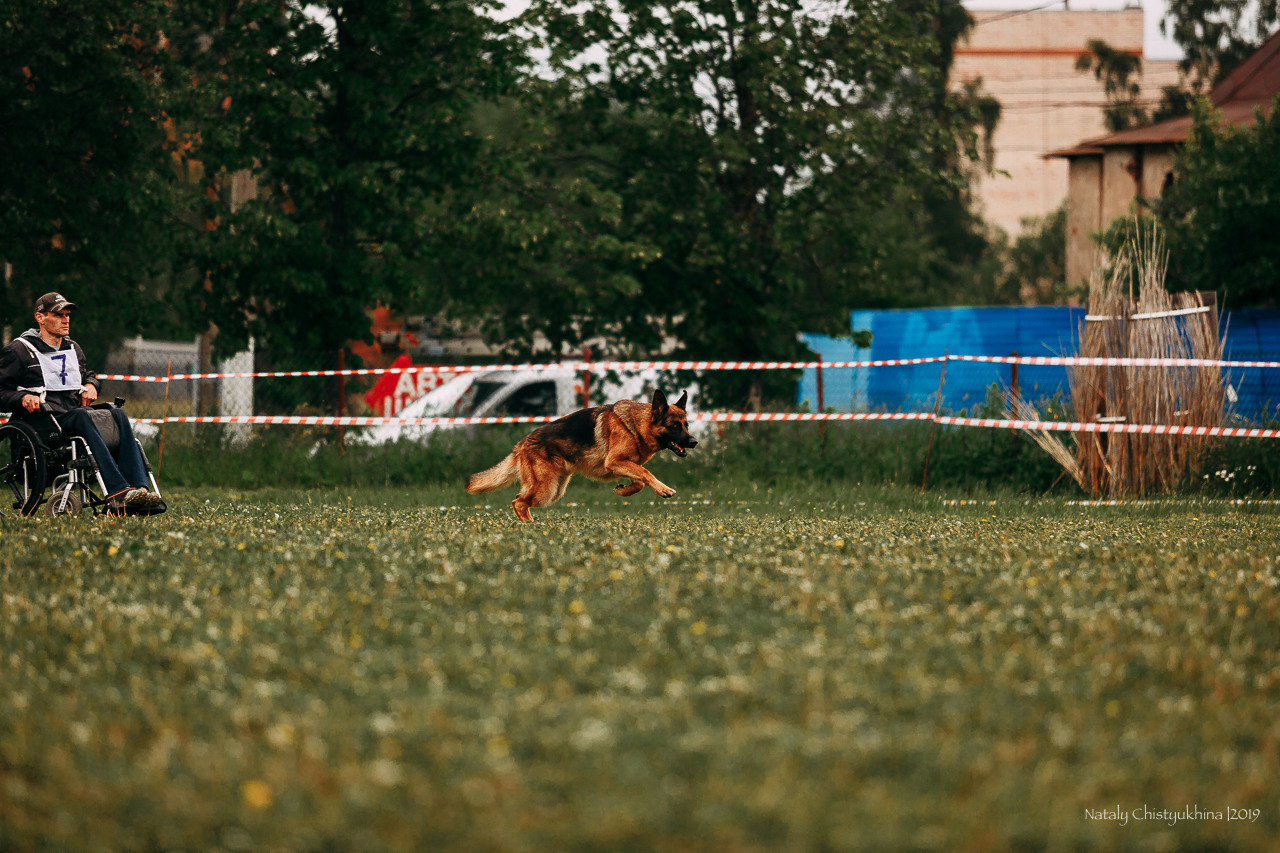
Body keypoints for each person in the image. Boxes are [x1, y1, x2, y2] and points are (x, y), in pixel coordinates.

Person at [0, 292, 164, 515]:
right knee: (83, 416)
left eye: (67, 315)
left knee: (117, 414)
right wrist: (21, 398)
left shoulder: (73, 348)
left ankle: (139, 490)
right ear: (40, 317)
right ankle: (117, 492)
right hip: (42, 421)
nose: (65, 319)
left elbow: (88, 374)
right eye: (58, 315)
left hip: (73, 415)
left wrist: (92, 385)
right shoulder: (19, 350)